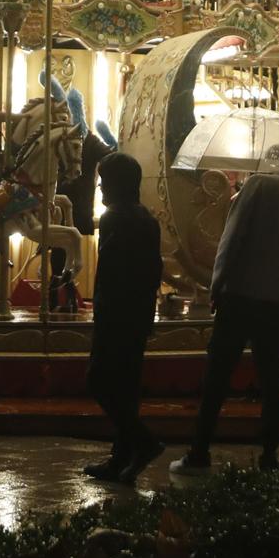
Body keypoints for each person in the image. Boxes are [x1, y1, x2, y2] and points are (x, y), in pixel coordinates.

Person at [171, 170, 279, 476]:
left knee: (218, 375)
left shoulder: (260, 184)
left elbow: (232, 236)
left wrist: (217, 283)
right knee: (272, 376)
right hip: (277, 297)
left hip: (240, 292)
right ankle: (268, 453)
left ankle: (199, 451)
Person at [84, 152, 164, 484]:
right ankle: (121, 456)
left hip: (116, 314)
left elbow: (111, 273)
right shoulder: (147, 218)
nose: (100, 188)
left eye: (104, 182)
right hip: (138, 314)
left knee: (99, 381)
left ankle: (143, 443)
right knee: (127, 387)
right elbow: (152, 271)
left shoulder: (115, 218)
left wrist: (101, 309)